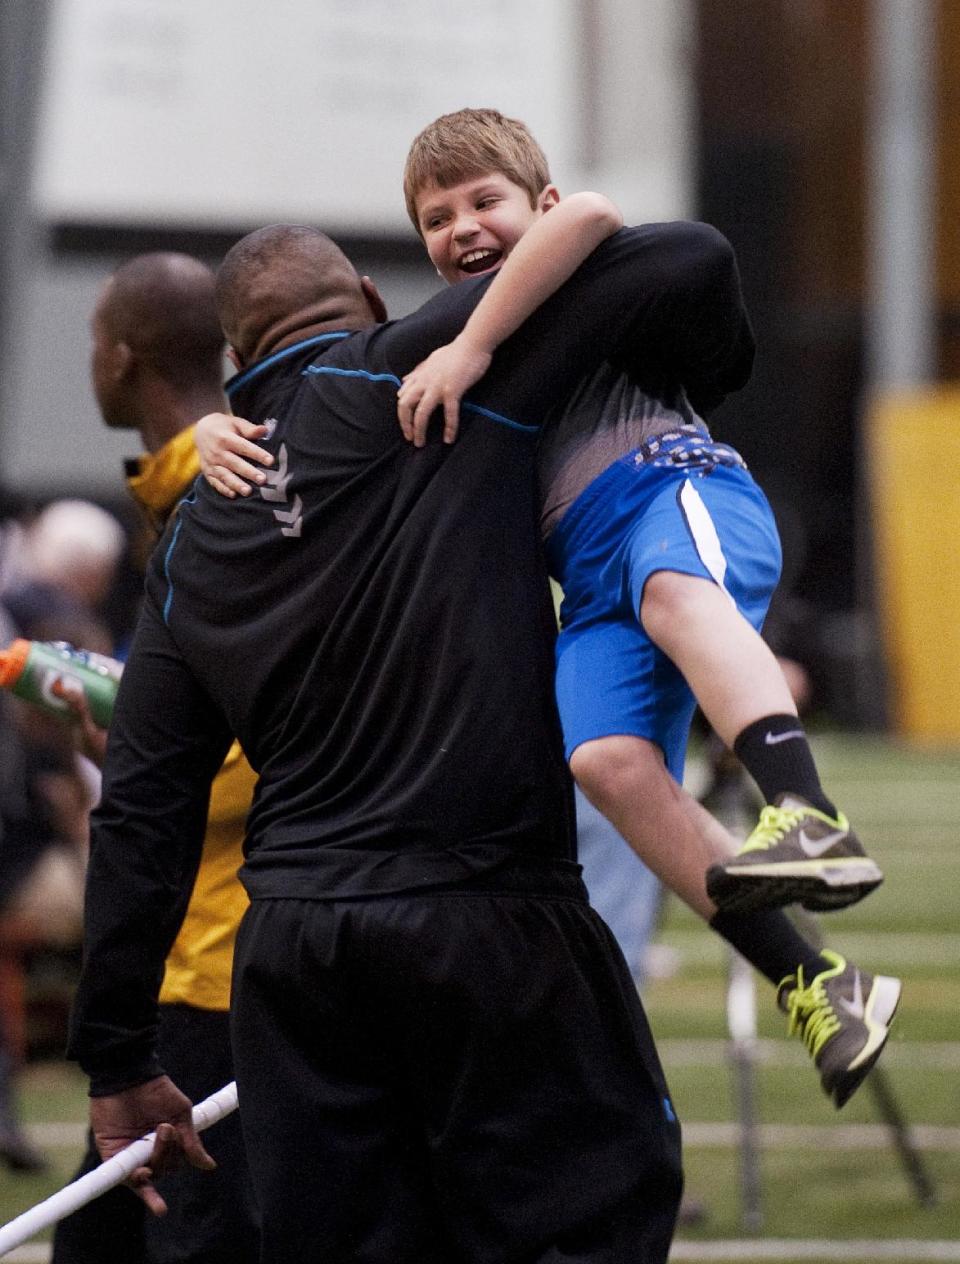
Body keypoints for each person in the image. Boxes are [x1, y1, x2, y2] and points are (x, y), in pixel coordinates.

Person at [63, 217, 775, 1263]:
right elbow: (694, 257)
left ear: (233, 362)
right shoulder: (424, 380)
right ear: (367, 291)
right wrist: (489, 340)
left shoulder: (195, 537)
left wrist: (116, 1058)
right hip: (491, 922)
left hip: (299, 964)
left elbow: (139, 811)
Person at [199, 109, 900, 1108]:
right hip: (591, 576)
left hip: (671, 490)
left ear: (540, 204)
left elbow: (601, 215)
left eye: (484, 201)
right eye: (436, 219)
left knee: (672, 596)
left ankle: (807, 809)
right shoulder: (434, 342)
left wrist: (477, 345)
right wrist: (211, 434)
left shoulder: (571, 281)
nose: (462, 228)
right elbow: (315, 411)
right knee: (606, 763)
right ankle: (817, 980)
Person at [51, 253, 259, 1264]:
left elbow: (261, 736)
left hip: (213, 963)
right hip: (208, 953)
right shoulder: (205, 481)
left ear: (122, 359)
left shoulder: (207, 491)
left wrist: (135, 746)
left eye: (95, 341)